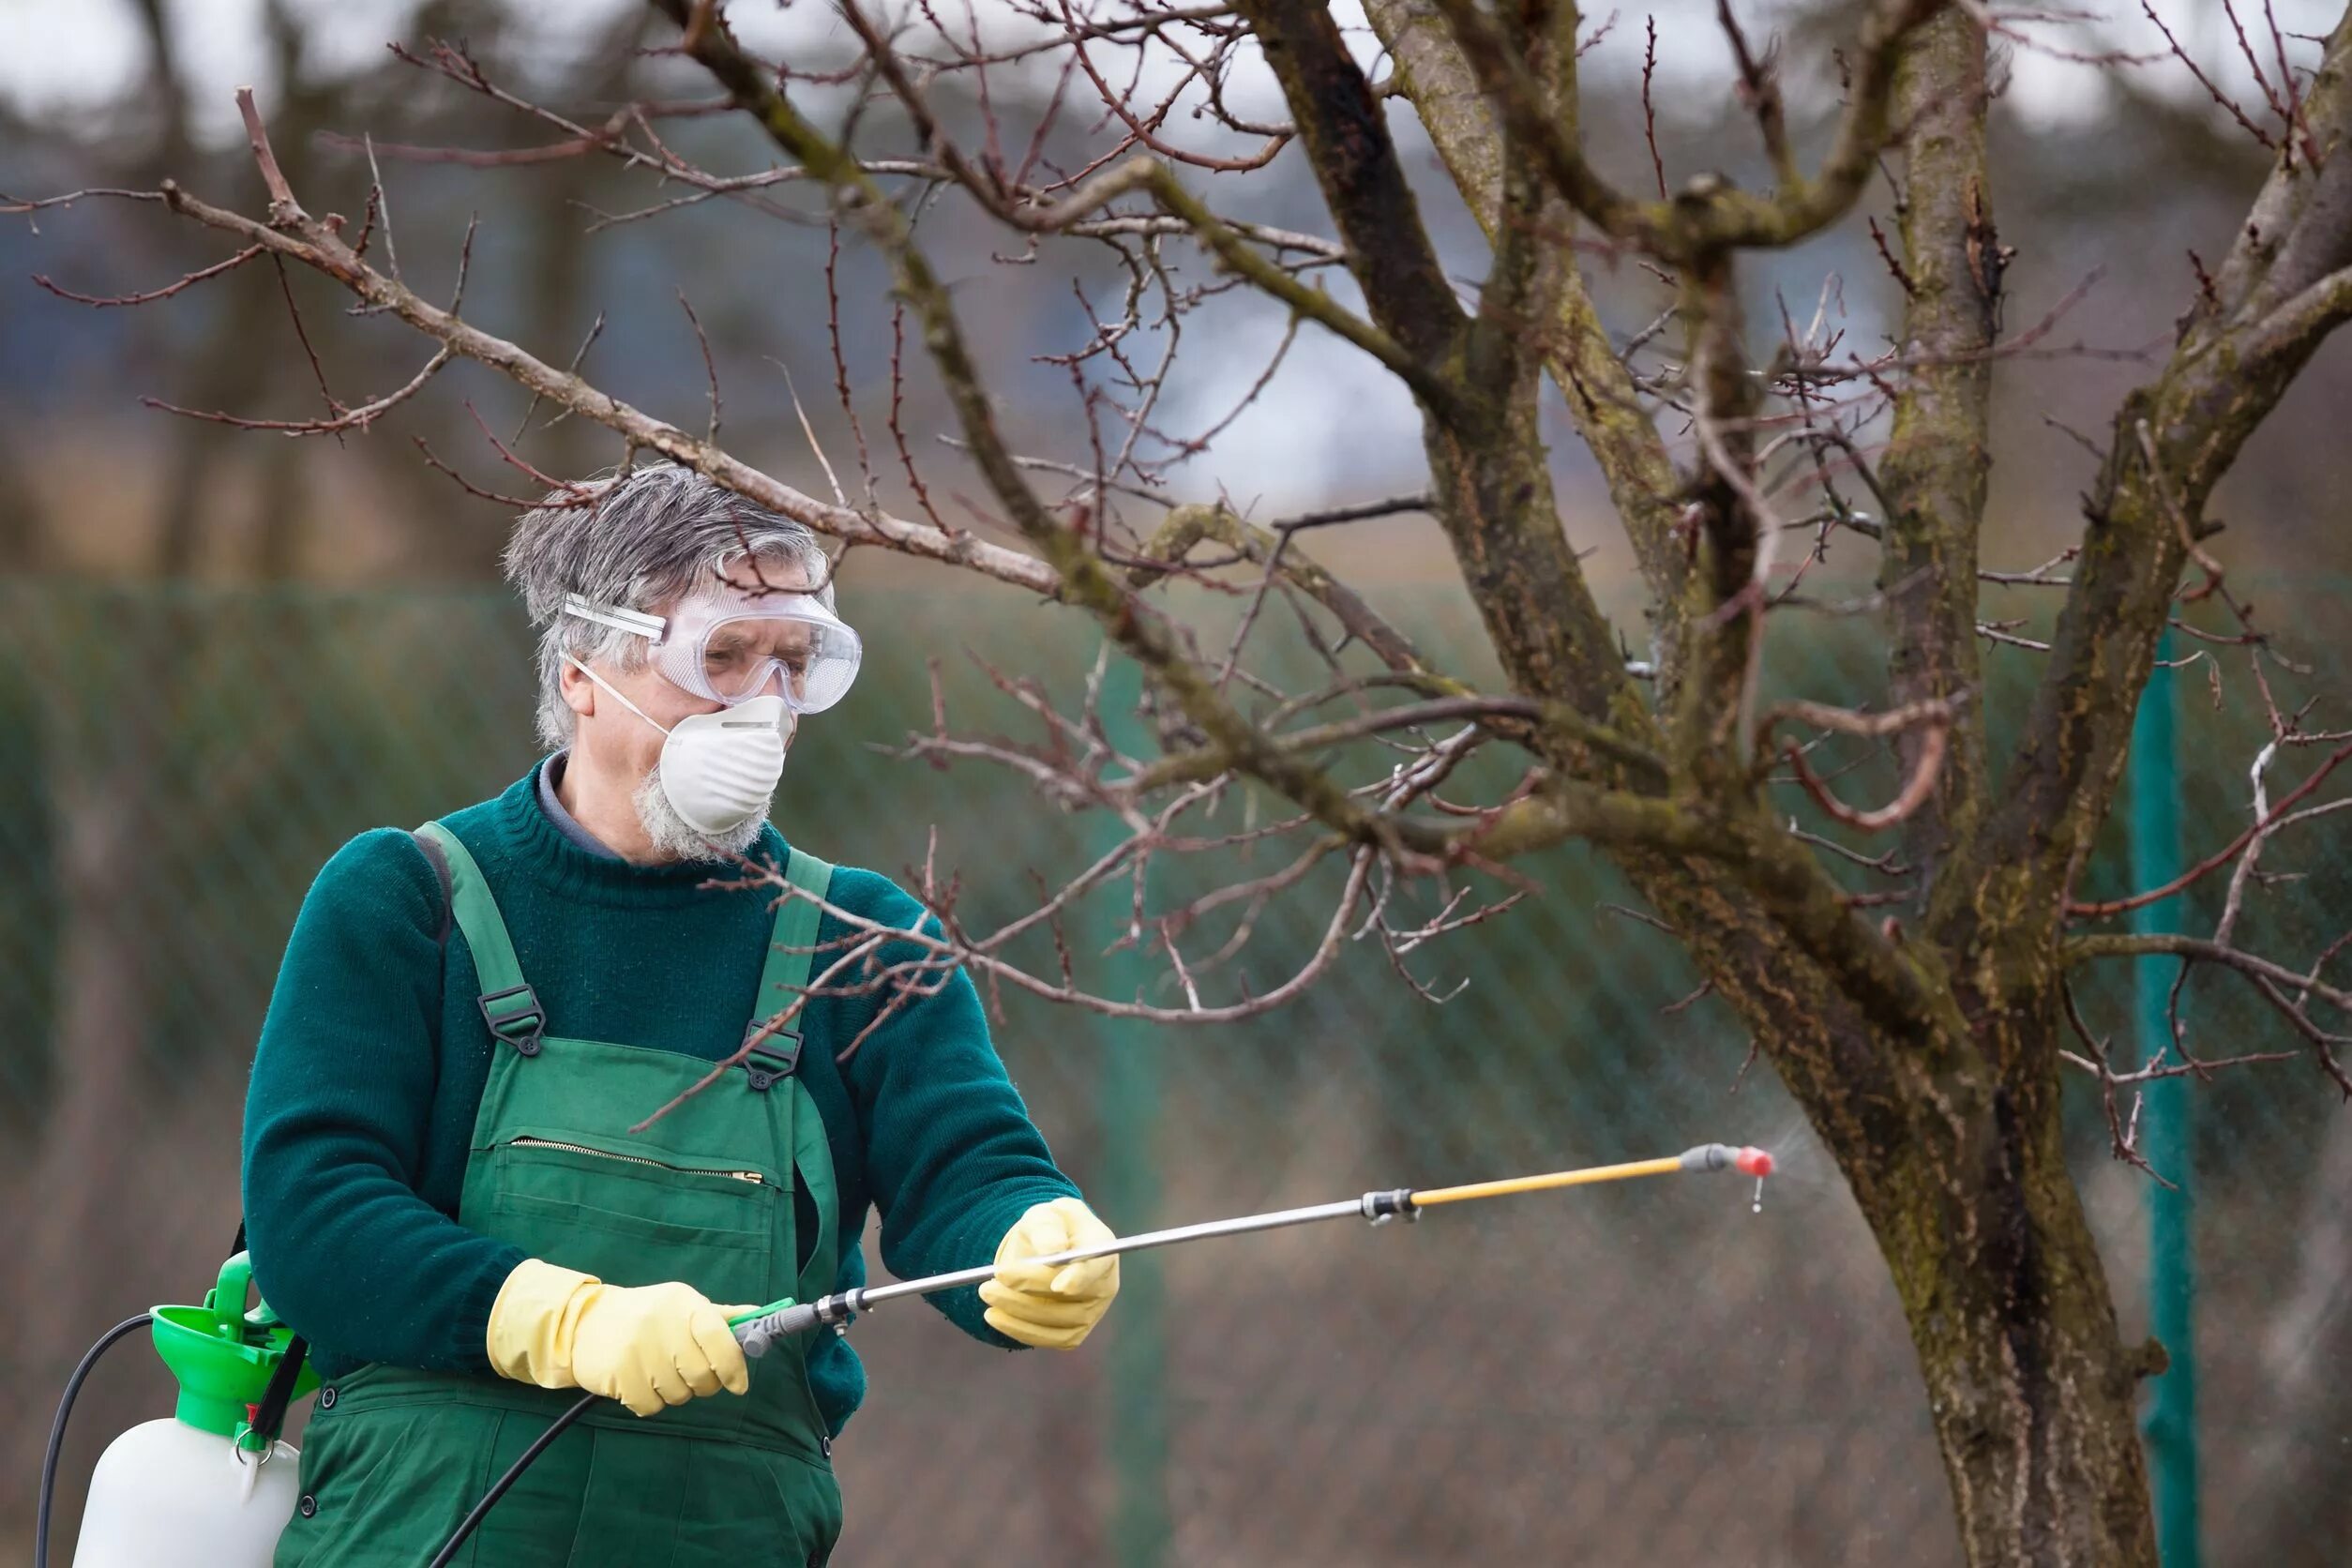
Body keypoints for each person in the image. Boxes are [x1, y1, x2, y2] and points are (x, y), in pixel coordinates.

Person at [241, 463, 1119, 1567]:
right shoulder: (407, 898)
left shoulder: (860, 937)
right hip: (425, 1531)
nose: (765, 704)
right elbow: (310, 1216)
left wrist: (1030, 1238)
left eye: (792, 662)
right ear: (584, 675)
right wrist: (559, 1318)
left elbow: (970, 1173)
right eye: (721, 656)